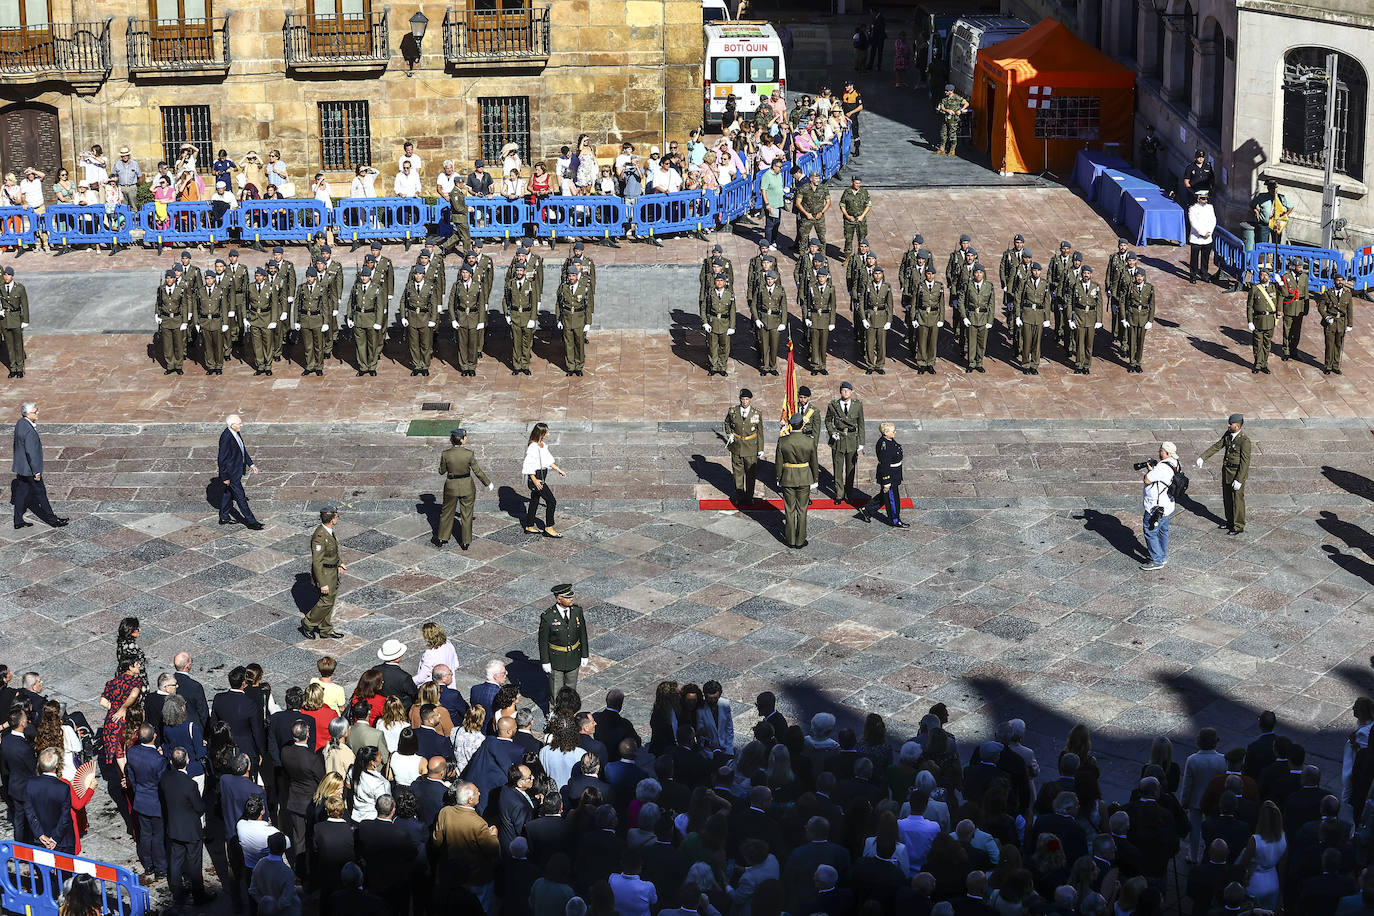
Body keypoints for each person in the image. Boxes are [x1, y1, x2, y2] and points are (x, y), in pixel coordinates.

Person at [13, 402, 68, 530]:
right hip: (30, 470)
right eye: (34, 412)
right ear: (27, 414)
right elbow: (31, 454)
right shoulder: (29, 432)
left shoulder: (20, 423)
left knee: (21, 493)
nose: (37, 413)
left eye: (37, 411)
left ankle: (18, 521)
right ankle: (53, 520)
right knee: (41, 494)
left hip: (21, 468)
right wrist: (36, 472)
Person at [435, 427, 493, 549]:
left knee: (446, 513)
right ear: (461, 440)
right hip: (467, 486)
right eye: (465, 437)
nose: (466, 438)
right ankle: (465, 542)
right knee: (466, 514)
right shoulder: (469, 454)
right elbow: (477, 471)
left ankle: (442, 538)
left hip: (451, 486)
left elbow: (442, 471)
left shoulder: (446, 454)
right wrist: (487, 483)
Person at [1196, 413, 1251, 536]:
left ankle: (1238, 525)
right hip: (1226, 472)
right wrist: (1203, 457)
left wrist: (1240, 479)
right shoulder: (1228, 435)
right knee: (1227, 499)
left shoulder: (1244, 441)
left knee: (1237, 500)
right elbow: (1217, 446)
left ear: (1237, 426)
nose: (1228, 425)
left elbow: (1245, 462)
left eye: (1230, 424)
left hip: (1237, 474)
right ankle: (1230, 521)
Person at [301, 507, 347, 640]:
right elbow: (317, 562)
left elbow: (331, 553)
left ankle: (325, 629)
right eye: (336, 517)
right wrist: (322, 583)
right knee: (326, 601)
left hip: (332, 571)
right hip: (325, 574)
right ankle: (307, 623)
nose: (337, 519)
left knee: (330, 601)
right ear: (332, 520)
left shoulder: (328, 532)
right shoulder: (320, 536)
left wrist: (339, 562)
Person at [540, 583, 590, 696]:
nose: (571, 599)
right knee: (556, 691)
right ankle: (554, 712)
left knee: (571, 691)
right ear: (558, 599)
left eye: (571, 596)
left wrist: (584, 654)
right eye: (567, 597)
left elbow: (583, 633)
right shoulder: (548, 617)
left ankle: (569, 712)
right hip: (556, 659)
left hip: (573, 657)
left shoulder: (577, 611)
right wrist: (545, 661)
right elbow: (543, 641)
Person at [775, 413, 816, 549]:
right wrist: (815, 478)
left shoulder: (782, 441)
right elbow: (814, 462)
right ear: (802, 425)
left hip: (787, 477)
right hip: (804, 477)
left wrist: (778, 477)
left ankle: (790, 539)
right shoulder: (809, 441)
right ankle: (800, 540)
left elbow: (778, 462)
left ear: (791, 425)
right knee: (802, 509)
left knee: (789, 509)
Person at [217, 415, 263, 529]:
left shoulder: (235, 432)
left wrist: (251, 464)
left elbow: (242, 450)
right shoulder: (226, 437)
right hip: (231, 474)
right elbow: (221, 459)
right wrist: (225, 477)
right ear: (232, 425)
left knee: (228, 493)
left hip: (236, 470)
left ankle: (224, 516)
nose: (241, 425)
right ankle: (251, 522)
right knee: (241, 497)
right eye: (239, 423)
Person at [1140, 441, 1180, 571]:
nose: (1159, 452)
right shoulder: (1175, 463)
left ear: (1167, 453)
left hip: (1156, 506)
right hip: (1168, 504)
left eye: (1161, 451)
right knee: (1163, 531)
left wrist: (1150, 470)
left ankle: (1157, 560)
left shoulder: (1161, 468)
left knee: (1150, 531)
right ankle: (1162, 555)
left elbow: (1147, 479)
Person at [824, 381, 865, 503]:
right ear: (840, 391)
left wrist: (861, 442)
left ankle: (849, 493)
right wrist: (832, 432)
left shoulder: (857, 405)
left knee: (850, 469)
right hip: (838, 440)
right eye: (843, 390)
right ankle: (839, 494)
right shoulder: (833, 405)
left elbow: (861, 424)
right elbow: (827, 420)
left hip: (852, 439)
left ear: (852, 392)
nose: (845, 392)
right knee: (838, 469)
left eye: (848, 390)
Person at [523, 422, 566, 537]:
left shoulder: (542, 444)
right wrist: (535, 480)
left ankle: (529, 525)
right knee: (551, 501)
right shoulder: (533, 447)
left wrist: (558, 469)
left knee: (535, 500)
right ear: (541, 433)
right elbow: (528, 465)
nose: (549, 434)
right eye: (547, 432)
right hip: (536, 478)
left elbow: (548, 460)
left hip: (541, 475)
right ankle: (549, 528)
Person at [724, 389, 766, 507]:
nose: (745, 402)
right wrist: (729, 434)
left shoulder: (757, 413)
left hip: (751, 447)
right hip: (737, 446)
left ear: (751, 400)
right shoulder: (733, 411)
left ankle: (749, 497)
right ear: (740, 400)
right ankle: (739, 496)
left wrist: (760, 448)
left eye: (747, 399)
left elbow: (760, 431)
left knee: (750, 473)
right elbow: (727, 423)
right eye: (743, 399)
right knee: (737, 473)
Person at [862, 422, 907, 528]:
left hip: (895, 473)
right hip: (889, 475)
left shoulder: (889, 440)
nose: (895, 432)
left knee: (885, 496)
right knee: (892, 499)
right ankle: (895, 520)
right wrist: (887, 482)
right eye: (893, 431)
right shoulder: (884, 445)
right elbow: (885, 465)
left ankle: (867, 510)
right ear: (886, 433)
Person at [557, 262, 594, 377]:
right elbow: (558, 303)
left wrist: (588, 322)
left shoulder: (584, 288)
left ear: (577, 276)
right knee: (569, 344)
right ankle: (570, 366)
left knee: (579, 344)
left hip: (579, 319)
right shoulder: (563, 287)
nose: (571, 278)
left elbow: (588, 305)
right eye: (569, 276)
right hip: (567, 319)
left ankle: (579, 366)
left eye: (573, 275)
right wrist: (559, 319)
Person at [1319, 272, 1354, 375]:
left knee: (1338, 345)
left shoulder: (1347, 294)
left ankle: (1336, 366)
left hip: (1341, 323)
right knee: (1329, 345)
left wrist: (1350, 324)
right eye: (1338, 280)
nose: (1340, 282)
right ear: (1334, 281)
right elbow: (1320, 307)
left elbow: (1350, 310)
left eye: (1341, 280)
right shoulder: (1328, 293)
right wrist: (1326, 316)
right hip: (1331, 322)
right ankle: (1328, 366)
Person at [1122, 267, 1155, 373]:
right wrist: (1124, 318)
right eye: (1137, 276)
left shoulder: (1149, 288)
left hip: (1144, 318)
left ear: (1144, 277)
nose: (1139, 278)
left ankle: (1138, 363)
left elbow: (1152, 305)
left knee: (1140, 342)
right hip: (1132, 317)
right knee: (1132, 341)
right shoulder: (1131, 287)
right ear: (1135, 277)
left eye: (1141, 276)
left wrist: (1150, 320)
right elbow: (1124, 302)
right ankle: (1132, 363)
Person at [1278, 259, 1309, 362]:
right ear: (1294, 267)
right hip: (1289, 307)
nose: (1301, 269)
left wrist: (1306, 307)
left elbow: (1306, 293)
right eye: (1299, 267)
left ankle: (1294, 350)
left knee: (1296, 331)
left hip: (1299, 307)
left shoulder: (1304, 277)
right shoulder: (1286, 277)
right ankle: (1286, 351)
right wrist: (1280, 309)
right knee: (1287, 330)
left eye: (1302, 267)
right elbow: (1282, 295)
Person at [1, 266, 29, 378]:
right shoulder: (1, 287)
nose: (6, 277)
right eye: (5, 274)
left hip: (16, 318)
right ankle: (12, 368)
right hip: (4, 319)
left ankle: (20, 368)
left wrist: (25, 320)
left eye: (8, 275)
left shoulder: (19, 288)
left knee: (18, 344)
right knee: (9, 345)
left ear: (12, 276)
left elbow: (25, 304)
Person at [1187, 190, 1217, 284]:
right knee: (1194, 259)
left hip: (1208, 237)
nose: (1205, 201)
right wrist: (1203, 233)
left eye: (1206, 199)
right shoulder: (1192, 209)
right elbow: (1194, 223)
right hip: (1197, 238)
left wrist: (1209, 232)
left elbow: (1213, 220)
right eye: (1203, 199)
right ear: (1198, 199)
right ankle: (1193, 275)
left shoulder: (1210, 207)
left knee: (1205, 258)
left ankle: (1204, 274)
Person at [795, 173, 829, 251]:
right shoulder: (803, 188)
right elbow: (798, 203)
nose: (818, 180)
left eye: (818, 178)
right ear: (811, 179)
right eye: (816, 178)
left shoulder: (823, 188)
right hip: (807, 217)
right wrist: (806, 214)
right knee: (803, 238)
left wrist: (821, 212)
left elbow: (828, 202)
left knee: (822, 237)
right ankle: (803, 258)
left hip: (819, 217)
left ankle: (822, 256)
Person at [1253, 178, 1293, 244]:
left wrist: (1283, 216)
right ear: (1268, 188)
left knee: (1276, 244)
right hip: (1264, 225)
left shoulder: (1280, 198)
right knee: (1262, 244)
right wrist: (1256, 212)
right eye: (1270, 188)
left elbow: (1290, 207)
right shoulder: (1262, 197)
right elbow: (1252, 205)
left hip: (1276, 224)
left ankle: (1275, 254)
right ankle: (1263, 254)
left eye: (1274, 188)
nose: (1273, 190)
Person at [935, 85, 970, 157]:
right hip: (945, 118)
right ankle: (942, 149)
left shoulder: (957, 98)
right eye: (945, 90)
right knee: (943, 134)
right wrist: (947, 110)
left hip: (953, 120)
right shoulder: (945, 99)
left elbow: (966, 103)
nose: (945, 92)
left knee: (952, 135)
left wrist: (960, 110)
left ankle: (952, 150)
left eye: (947, 91)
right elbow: (941, 106)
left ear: (951, 91)